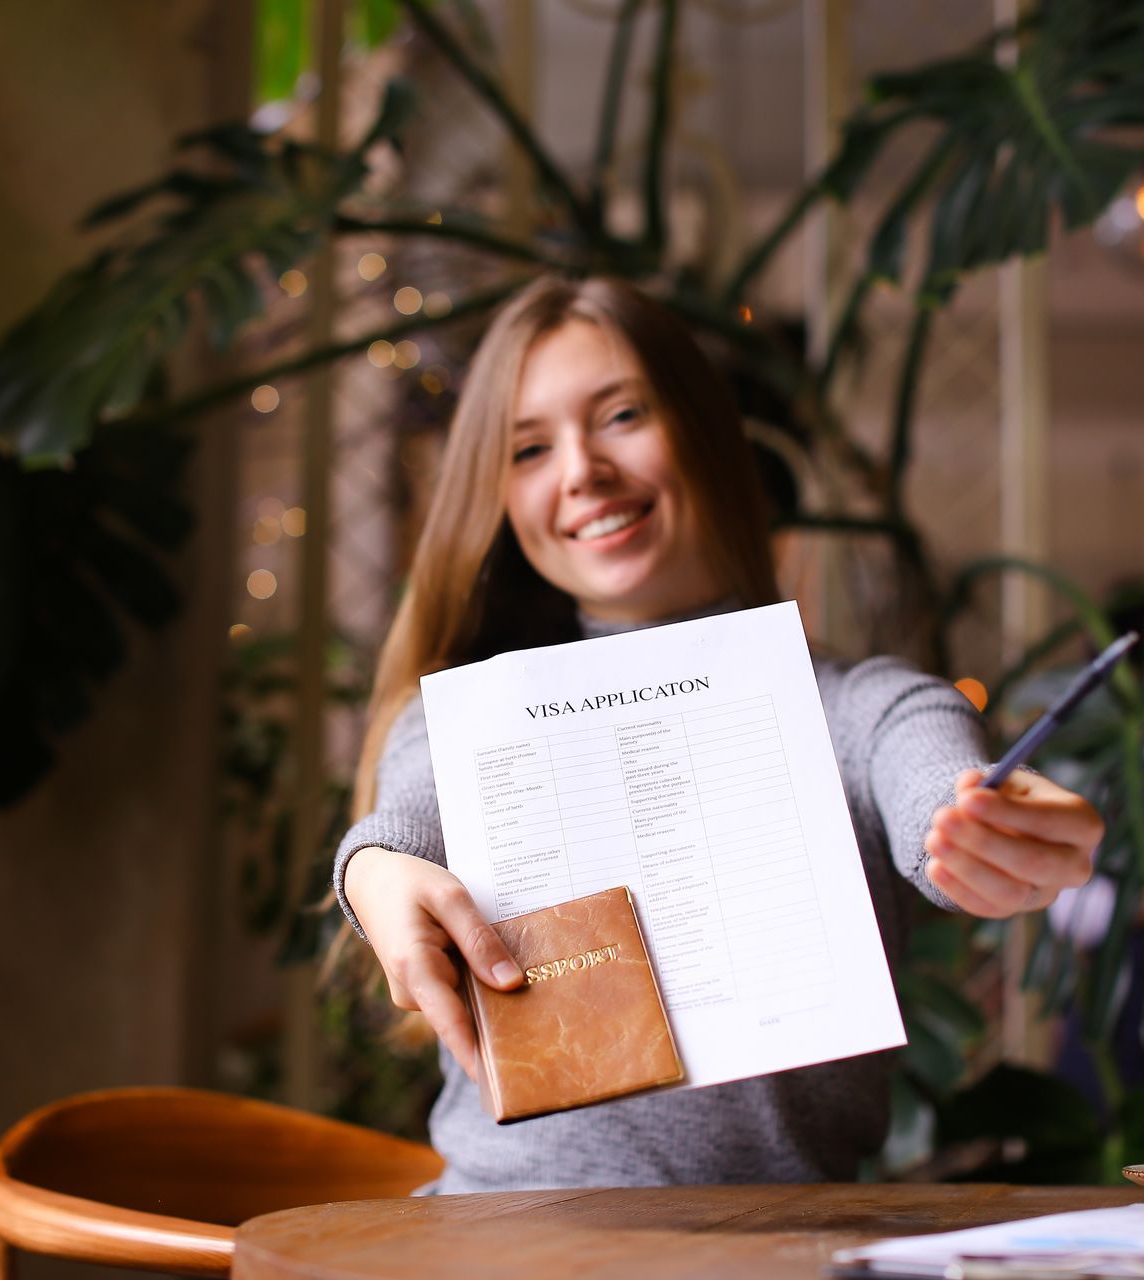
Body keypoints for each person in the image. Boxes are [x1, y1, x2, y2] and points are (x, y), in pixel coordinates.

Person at [332, 276, 1103, 1192]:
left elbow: (931, 772)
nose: (580, 470)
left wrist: (978, 828)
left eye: (621, 416)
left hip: (771, 1251)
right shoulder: (465, 718)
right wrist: (371, 874)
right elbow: (403, 824)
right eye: (529, 448)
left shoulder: (859, 708)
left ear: (706, 430)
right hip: (493, 1239)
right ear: (497, 499)